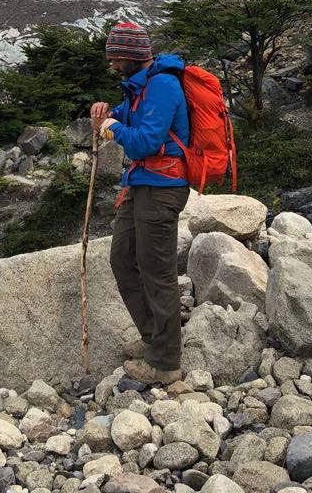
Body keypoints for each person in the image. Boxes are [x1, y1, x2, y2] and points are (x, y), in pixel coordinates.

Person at [90, 21, 190, 384]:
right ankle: (154, 340)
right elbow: (126, 115)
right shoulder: (139, 86)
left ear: (131, 57)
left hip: (162, 187)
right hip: (141, 185)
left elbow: (146, 141)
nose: (112, 66)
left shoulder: (162, 85)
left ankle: (165, 363)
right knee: (122, 260)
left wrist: (112, 130)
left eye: (115, 59)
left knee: (157, 271)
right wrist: (108, 114)